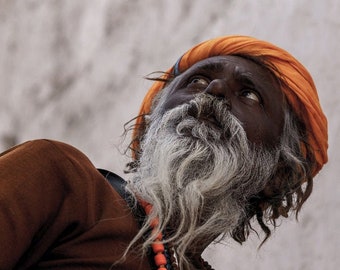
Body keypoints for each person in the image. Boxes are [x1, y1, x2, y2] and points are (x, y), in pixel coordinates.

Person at [0, 35, 328, 270]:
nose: (214, 91)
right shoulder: (59, 180)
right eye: (197, 81)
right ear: (149, 126)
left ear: (277, 174)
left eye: (250, 95)